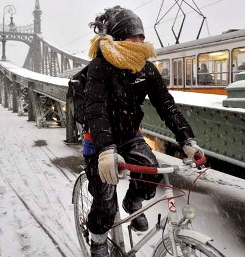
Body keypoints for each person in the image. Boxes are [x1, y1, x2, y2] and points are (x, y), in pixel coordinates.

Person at [83, 6, 206, 257]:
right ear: (118, 38)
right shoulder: (100, 67)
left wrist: (187, 140)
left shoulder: (146, 68)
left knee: (151, 172)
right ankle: (97, 240)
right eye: (133, 37)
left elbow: (166, 105)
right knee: (104, 197)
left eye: (141, 36)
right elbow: (96, 110)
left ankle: (132, 202)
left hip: (130, 136)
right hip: (99, 141)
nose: (139, 42)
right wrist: (106, 148)